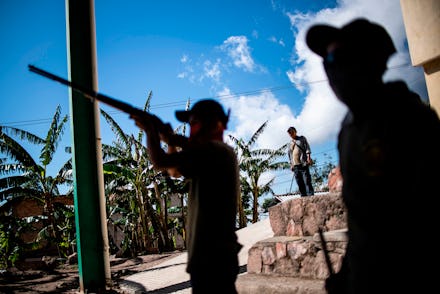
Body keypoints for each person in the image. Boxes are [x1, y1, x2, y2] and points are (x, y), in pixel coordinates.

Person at [306, 18, 440, 294]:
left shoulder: (409, 117)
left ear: (372, 60)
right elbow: (361, 222)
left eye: (338, 57)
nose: (331, 70)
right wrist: (347, 274)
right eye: (326, 62)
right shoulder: (349, 129)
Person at [130, 99, 242, 294]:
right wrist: (170, 140)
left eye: (196, 123)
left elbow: (160, 161)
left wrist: (150, 131)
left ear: (216, 125)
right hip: (213, 255)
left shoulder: (213, 152)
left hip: (211, 255)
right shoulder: (217, 153)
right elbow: (174, 171)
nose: (192, 128)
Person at [287, 126, 314, 196]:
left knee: (307, 181)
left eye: (292, 132)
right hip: (295, 165)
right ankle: (303, 197)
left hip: (303, 163)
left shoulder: (302, 139)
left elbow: (307, 147)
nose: (291, 134)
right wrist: (291, 164)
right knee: (299, 182)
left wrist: (308, 157)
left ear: (295, 132)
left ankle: (310, 196)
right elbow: (289, 155)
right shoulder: (290, 143)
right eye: (290, 133)